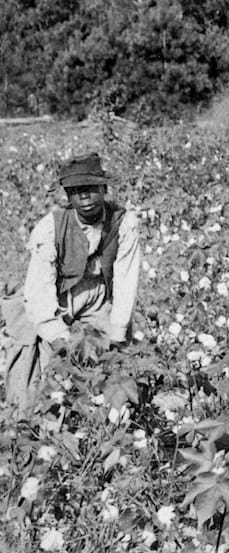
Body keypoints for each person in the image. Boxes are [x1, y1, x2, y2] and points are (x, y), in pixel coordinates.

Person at [1, 152, 141, 411]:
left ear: (104, 188)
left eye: (90, 189)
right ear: (67, 196)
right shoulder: (50, 227)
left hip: (98, 302)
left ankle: (100, 419)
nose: (84, 197)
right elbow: (39, 290)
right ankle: (31, 420)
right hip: (55, 302)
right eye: (76, 191)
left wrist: (117, 334)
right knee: (38, 378)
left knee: (104, 372)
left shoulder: (124, 223)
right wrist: (58, 337)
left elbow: (126, 280)